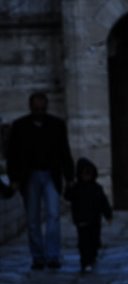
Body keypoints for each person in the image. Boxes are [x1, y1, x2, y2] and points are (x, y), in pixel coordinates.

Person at [5, 92, 75, 270]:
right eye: (36, 108)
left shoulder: (56, 126)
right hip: (30, 177)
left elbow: (64, 153)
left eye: (42, 108)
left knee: (53, 215)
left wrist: (69, 177)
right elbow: (12, 155)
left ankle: (52, 255)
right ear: (31, 107)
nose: (39, 112)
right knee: (33, 219)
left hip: (50, 174)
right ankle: (38, 256)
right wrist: (14, 178)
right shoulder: (20, 127)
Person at [65, 157, 112, 273]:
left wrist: (108, 215)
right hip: (81, 220)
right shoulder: (76, 188)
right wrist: (68, 187)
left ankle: (92, 257)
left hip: (94, 220)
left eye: (89, 173)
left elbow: (103, 202)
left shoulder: (96, 188)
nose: (86, 176)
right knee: (83, 242)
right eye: (84, 173)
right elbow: (67, 196)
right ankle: (85, 261)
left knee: (94, 240)